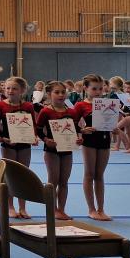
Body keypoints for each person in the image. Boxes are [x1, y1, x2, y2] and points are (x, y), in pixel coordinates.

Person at [36, 80, 80, 220]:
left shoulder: (72, 112)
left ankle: (61, 209)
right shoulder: (46, 111)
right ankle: (52, 209)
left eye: (63, 92)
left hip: (67, 150)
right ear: (49, 94)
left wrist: (79, 138)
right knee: (53, 181)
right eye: (57, 92)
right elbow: (38, 130)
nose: (61, 95)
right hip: (51, 150)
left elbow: (76, 130)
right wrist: (45, 140)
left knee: (64, 181)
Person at [0, 76, 37, 219]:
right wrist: (2, 138)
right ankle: (10, 206)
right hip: (8, 144)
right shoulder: (1, 105)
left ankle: (23, 207)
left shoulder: (28, 106)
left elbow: (33, 125)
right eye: (7, 88)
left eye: (14, 88)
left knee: (23, 175)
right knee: (10, 176)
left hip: (24, 144)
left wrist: (34, 137)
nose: (10, 91)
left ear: (22, 90)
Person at [73, 74, 112, 220]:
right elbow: (72, 123)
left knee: (99, 175)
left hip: (104, 140)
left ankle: (101, 209)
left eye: (100, 89)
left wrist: (115, 127)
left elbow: (113, 122)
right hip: (89, 141)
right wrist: (82, 130)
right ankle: (91, 209)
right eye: (94, 89)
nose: (98, 92)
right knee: (89, 174)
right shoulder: (80, 105)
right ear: (85, 88)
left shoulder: (107, 103)